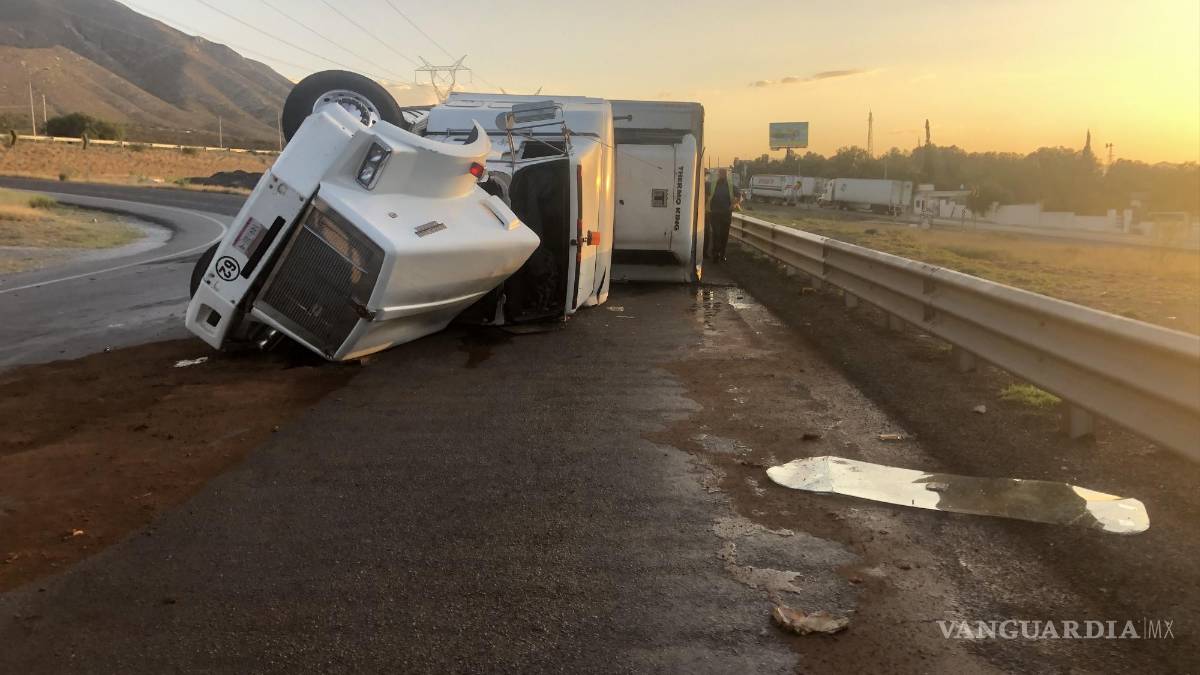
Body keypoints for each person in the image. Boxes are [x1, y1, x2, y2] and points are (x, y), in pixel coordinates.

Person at [705, 168, 740, 263]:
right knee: (716, 234)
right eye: (720, 173)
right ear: (718, 175)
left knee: (724, 235)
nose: (722, 175)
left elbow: (740, 195)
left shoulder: (731, 186)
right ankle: (715, 254)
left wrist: (734, 204)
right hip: (714, 213)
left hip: (726, 214)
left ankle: (722, 254)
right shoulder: (711, 185)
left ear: (726, 175)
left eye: (723, 174)